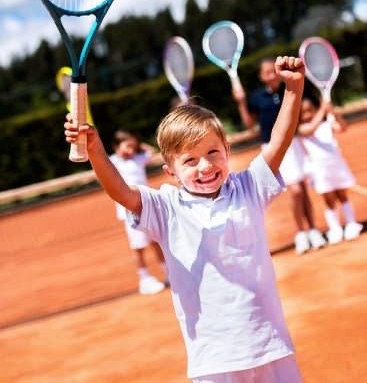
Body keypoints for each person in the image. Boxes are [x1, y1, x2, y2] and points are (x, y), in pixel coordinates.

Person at [65, 55, 304, 383]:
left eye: (212, 153)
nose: (205, 166)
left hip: (270, 346)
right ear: (170, 172)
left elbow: (278, 142)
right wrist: (94, 149)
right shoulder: (166, 207)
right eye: (189, 160)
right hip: (213, 360)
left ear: (227, 150)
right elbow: (121, 191)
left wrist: (293, 89)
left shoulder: (248, 187)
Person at [232, 56, 326, 255]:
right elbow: (249, 124)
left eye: (272, 70)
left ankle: (313, 230)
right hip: (273, 148)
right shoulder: (257, 98)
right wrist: (241, 102)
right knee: (295, 190)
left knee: (302, 188)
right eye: (265, 72)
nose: (270, 75)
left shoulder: (289, 91)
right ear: (260, 76)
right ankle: (301, 233)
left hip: (295, 144)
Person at [298, 96, 363, 244]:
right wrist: (323, 109)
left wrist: (332, 111)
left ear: (314, 109)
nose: (307, 115)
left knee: (342, 195)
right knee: (329, 200)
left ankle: (351, 224)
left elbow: (343, 127)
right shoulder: (302, 129)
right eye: (303, 113)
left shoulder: (327, 124)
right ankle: (335, 229)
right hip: (320, 170)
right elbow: (310, 130)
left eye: (310, 111)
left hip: (337, 166)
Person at [110, 129, 167, 294]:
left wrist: (135, 143)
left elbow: (151, 151)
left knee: (155, 240)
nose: (131, 150)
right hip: (129, 211)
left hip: (146, 206)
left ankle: (168, 272)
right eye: (127, 146)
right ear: (115, 146)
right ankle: (144, 278)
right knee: (139, 246)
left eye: (133, 146)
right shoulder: (113, 162)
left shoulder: (138, 158)